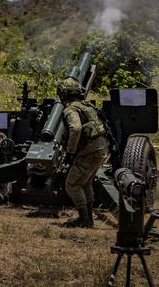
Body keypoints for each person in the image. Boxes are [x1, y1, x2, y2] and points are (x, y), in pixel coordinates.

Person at [58, 78, 110, 228]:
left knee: (72, 184)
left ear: (63, 94)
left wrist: (70, 152)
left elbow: (75, 128)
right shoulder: (86, 106)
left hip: (90, 151)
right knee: (85, 183)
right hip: (101, 149)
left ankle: (84, 219)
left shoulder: (71, 109)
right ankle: (88, 219)